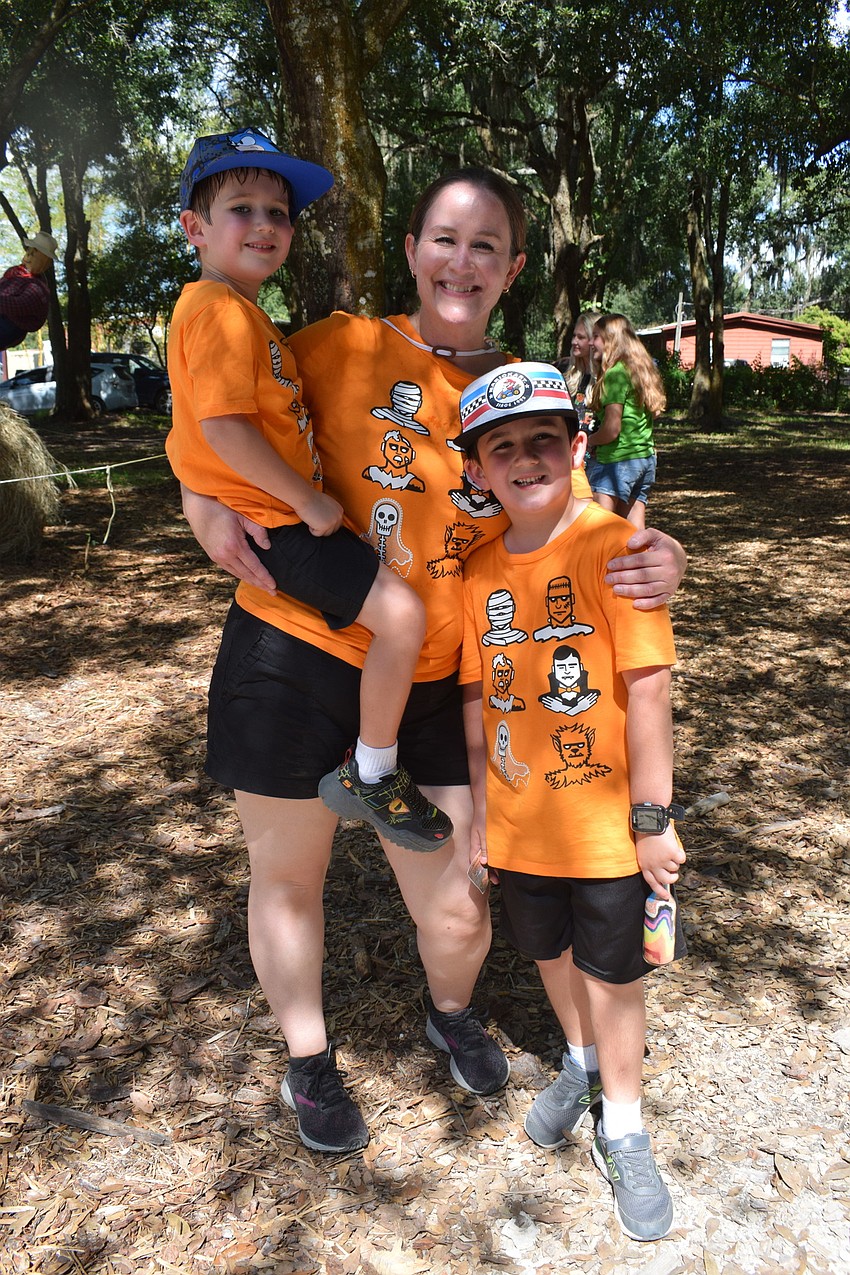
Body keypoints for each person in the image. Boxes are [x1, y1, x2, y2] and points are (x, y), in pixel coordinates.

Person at [177, 167, 689, 1157]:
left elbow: (586, 531)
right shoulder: (334, 344)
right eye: (443, 239)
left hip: (440, 683)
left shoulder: (517, 400)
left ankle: (449, 1010)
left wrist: (662, 557)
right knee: (289, 874)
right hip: (292, 645)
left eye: (485, 244)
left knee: (460, 902)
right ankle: (309, 1061)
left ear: (513, 267)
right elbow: (214, 404)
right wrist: (196, 499)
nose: (461, 260)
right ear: (409, 252)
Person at [166, 128, 452, 856]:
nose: (265, 225)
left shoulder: (237, 312)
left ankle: (372, 764)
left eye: (279, 211)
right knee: (401, 616)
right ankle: (375, 769)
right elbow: (225, 431)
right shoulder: (219, 311)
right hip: (281, 525)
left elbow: (191, 433)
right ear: (194, 227)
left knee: (393, 613)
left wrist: (201, 493)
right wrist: (311, 501)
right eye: (242, 208)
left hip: (275, 519)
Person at [455, 360, 686, 1242]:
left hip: (606, 828)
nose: (523, 459)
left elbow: (650, 688)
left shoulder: (614, 549)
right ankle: (580, 1062)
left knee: (615, 972)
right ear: (478, 469)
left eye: (542, 440)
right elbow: (479, 698)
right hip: (518, 822)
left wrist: (653, 819)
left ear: (578, 446)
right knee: (547, 952)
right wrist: (479, 809)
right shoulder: (476, 571)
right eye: (501, 447)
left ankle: (621, 1123)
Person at [585, 312, 666, 531]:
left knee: (599, 529)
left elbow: (612, 429)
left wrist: (589, 440)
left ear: (611, 340)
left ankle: (604, 566)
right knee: (634, 532)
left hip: (616, 461)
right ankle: (637, 565)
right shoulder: (638, 369)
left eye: (596, 337)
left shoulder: (615, 374)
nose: (591, 343)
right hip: (644, 460)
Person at [0, 231, 58, 351]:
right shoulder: (15, 273)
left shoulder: (37, 289)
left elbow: (16, 305)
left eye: (34, 255)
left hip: (10, 327)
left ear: (44, 262)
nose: (29, 256)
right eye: (28, 252)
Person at [555, 309, 600, 433]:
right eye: (574, 336)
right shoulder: (563, 370)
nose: (574, 342)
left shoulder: (609, 376)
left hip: (597, 448)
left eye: (581, 337)